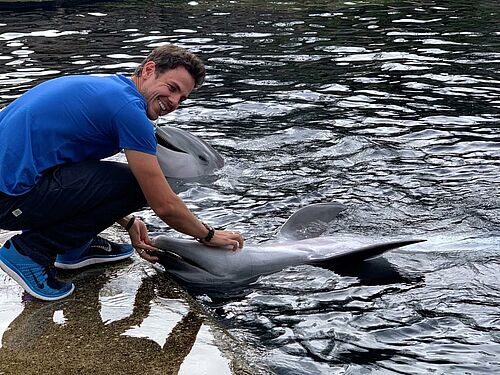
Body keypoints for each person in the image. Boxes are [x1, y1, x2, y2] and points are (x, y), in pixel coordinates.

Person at [0, 44, 244, 301]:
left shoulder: (107, 90)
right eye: (172, 88)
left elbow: (74, 168)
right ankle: (31, 252)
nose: (174, 103)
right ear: (149, 70)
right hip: (7, 200)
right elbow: (164, 204)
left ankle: (73, 248)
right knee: (138, 185)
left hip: (11, 190)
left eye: (182, 99)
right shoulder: (129, 111)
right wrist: (208, 235)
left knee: (121, 179)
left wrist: (126, 220)